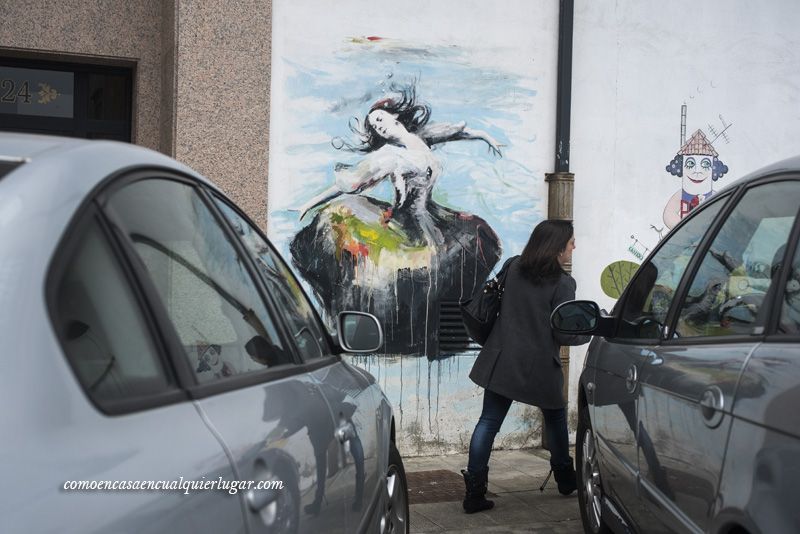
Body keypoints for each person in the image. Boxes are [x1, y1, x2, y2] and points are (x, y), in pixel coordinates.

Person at [290, 83, 503, 354]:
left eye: (379, 119)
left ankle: (440, 330)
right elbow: (351, 184)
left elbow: (458, 132)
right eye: (374, 126)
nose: (378, 127)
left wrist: (487, 137)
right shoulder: (390, 155)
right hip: (407, 221)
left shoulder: (423, 138)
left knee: (472, 242)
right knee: (423, 269)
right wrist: (308, 204)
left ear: (394, 115)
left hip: (431, 214)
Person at [462, 220, 590, 513]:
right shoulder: (563, 283)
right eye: (571, 242)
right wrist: (590, 330)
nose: (574, 247)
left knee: (488, 423)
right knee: (556, 420)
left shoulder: (514, 266)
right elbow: (563, 333)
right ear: (558, 247)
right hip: (541, 365)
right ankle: (566, 479)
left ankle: (474, 494)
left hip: (502, 358)